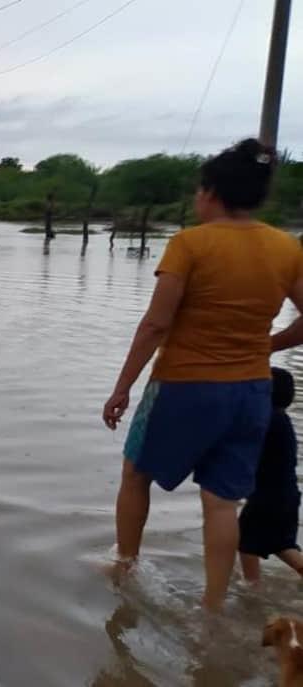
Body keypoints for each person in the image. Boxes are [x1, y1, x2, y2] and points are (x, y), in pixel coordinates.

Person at [103, 138, 303, 611]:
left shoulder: (189, 244)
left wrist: (122, 387)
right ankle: (212, 608)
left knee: (136, 474)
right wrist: (266, 344)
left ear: (212, 193)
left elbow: (156, 323)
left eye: (199, 190)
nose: (196, 198)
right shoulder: (286, 247)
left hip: (183, 384)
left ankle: (124, 566)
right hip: (251, 392)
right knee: (221, 502)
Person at [240, 367, 303, 582]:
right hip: (286, 495)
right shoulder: (281, 419)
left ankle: (252, 587)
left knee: (248, 542)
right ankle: (252, 586)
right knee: (280, 544)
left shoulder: (268, 419)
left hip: (267, 498)